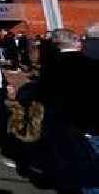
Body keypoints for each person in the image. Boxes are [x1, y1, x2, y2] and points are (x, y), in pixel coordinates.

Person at [36, 29, 99, 191]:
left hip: (59, 123)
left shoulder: (48, 66)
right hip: (87, 125)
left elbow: (42, 95)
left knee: (68, 163)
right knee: (91, 170)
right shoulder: (90, 64)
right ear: (76, 41)